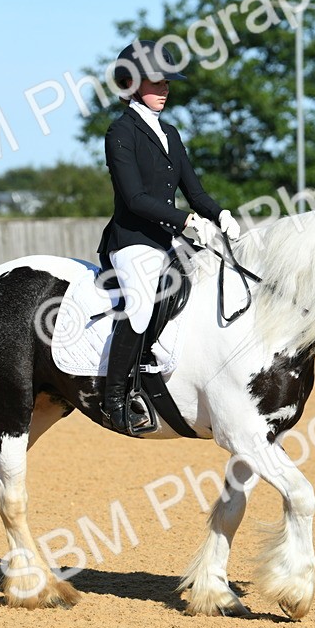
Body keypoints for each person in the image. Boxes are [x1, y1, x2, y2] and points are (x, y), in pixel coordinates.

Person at [97, 40, 240, 434]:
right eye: (156, 83)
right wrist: (186, 221)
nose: (165, 90)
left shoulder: (171, 133)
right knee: (141, 305)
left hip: (170, 238)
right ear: (131, 83)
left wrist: (220, 213)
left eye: (167, 83)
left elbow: (194, 191)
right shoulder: (119, 132)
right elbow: (135, 198)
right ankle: (114, 398)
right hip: (132, 240)